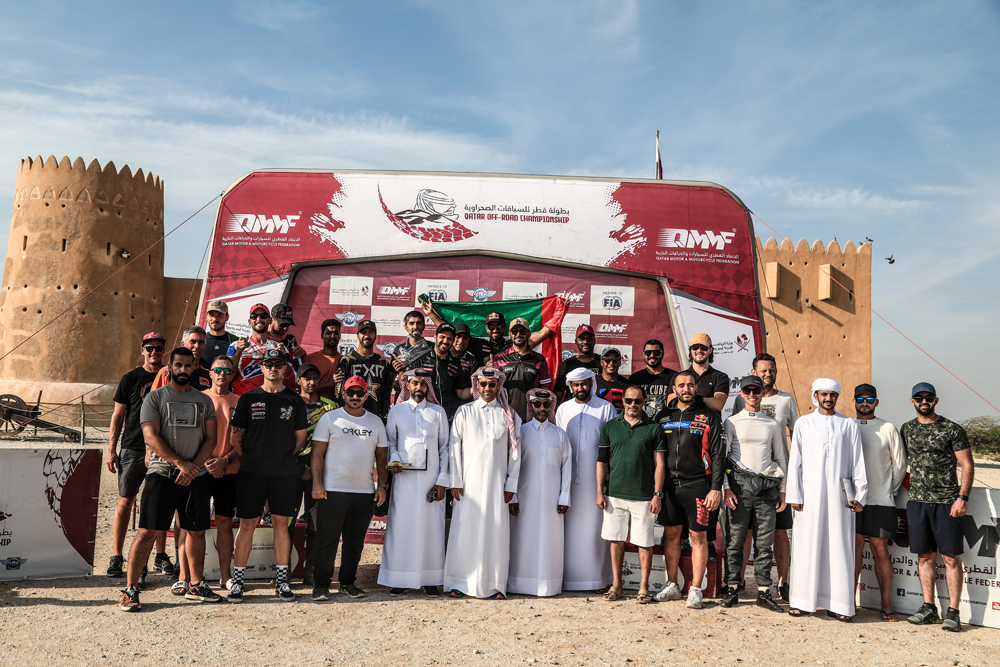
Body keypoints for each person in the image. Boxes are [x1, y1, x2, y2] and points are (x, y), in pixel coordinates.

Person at [119, 347, 218, 611]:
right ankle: (130, 589)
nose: (183, 370)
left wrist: (193, 467)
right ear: (170, 367)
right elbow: (150, 436)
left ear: (194, 367)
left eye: (188, 366)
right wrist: (180, 464)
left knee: (196, 532)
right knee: (148, 532)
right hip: (162, 474)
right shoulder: (155, 398)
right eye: (178, 366)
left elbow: (211, 439)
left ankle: (196, 584)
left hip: (195, 477)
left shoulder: (204, 401)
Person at [228, 348, 308, 603]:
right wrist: (255, 456)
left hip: (284, 472)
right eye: (268, 364)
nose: (273, 368)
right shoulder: (248, 399)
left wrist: (280, 456)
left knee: (281, 526)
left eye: (278, 364)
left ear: (285, 369)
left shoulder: (295, 400)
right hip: (252, 472)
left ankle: (282, 581)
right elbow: (236, 438)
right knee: (247, 524)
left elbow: (299, 440)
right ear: (261, 368)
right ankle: (238, 581)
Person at [785, 378, 867, 622]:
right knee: (806, 546)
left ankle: (840, 604)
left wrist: (860, 495)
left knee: (839, 547)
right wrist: (794, 495)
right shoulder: (803, 423)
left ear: (837, 397)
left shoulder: (849, 425)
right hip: (808, 498)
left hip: (841, 499)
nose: (828, 399)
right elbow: (795, 463)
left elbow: (857, 462)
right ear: (815, 396)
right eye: (823, 394)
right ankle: (802, 602)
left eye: (832, 395)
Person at [901, 382, 974, 632]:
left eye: (928, 397)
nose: (924, 401)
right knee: (924, 557)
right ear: (912, 401)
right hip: (918, 502)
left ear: (936, 400)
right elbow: (903, 461)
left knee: (951, 558)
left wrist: (962, 497)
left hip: (947, 503)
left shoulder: (952, 428)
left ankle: (953, 612)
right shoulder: (907, 429)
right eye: (919, 398)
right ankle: (929, 608)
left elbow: (967, 464)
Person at [444, 367, 522, 599]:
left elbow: (515, 454)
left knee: (495, 533)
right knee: (464, 532)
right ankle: (459, 583)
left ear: (499, 386)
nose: (488, 388)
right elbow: (454, 449)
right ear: (476, 386)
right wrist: (455, 481)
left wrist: (511, 486)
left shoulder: (509, 415)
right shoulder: (464, 411)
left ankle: (494, 585)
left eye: (492, 384)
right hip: (468, 486)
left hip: (498, 487)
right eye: (483, 384)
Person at [310, 376, 389, 601]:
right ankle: (321, 585)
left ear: (366, 395)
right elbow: (317, 453)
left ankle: (347, 583)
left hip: (364, 493)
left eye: (360, 393)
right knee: (327, 540)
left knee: (354, 543)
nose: (355, 397)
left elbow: (382, 458)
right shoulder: (329, 419)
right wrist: (317, 483)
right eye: (350, 393)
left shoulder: (375, 422)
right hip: (332, 490)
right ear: (343, 394)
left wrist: (382, 486)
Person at [654, 370, 724, 609]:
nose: (686, 389)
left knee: (698, 537)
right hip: (669, 487)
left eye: (690, 385)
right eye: (681, 385)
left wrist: (716, 489)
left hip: (698, 485)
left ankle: (696, 589)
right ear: (674, 389)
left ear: (697, 388)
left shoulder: (709, 416)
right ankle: (672, 585)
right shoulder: (663, 416)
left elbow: (718, 454)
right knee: (671, 535)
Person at [732, 351, 798, 600]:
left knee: (781, 532)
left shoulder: (786, 400)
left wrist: (791, 478)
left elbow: (797, 438)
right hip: (749, 480)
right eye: (763, 370)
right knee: (747, 531)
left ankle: (783, 582)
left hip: (776, 478)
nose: (768, 374)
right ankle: (738, 581)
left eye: (772, 370)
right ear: (754, 372)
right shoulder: (743, 400)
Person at [106, 332, 172, 581]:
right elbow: (117, 416)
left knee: (158, 502)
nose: (154, 352)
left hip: (161, 447)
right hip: (133, 447)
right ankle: (116, 555)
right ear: (142, 350)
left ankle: (161, 554)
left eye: (159, 348)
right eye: (150, 348)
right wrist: (112, 450)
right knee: (125, 501)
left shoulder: (169, 375)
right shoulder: (131, 378)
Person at [378, 370, 450, 597]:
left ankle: (430, 578)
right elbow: (390, 443)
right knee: (403, 528)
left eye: (423, 384)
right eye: (414, 383)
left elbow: (445, 449)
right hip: (404, 480)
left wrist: (442, 482)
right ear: (407, 386)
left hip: (431, 483)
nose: (419, 388)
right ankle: (400, 578)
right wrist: (395, 460)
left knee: (431, 528)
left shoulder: (438, 412)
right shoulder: (397, 411)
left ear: (429, 387)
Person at [719, 376, 786, 612]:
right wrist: (725, 487)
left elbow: (780, 458)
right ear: (742, 394)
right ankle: (731, 588)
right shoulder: (731, 422)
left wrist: (784, 490)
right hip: (738, 488)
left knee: (764, 544)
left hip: (767, 490)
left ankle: (763, 592)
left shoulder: (772, 424)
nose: (751, 394)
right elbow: (723, 459)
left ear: (761, 393)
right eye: (747, 390)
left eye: (755, 390)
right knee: (735, 542)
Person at [597, 386, 667, 604]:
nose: (633, 405)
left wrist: (658, 494)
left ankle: (644, 587)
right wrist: (599, 490)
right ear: (623, 402)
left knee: (644, 542)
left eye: (637, 401)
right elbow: (602, 462)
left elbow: (660, 464)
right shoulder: (609, 427)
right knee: (615, 540)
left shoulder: (655, 428)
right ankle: (617, 585)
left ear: (644, 401)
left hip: (645, 495)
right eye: (629, 401)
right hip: (615, 494)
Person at [554, 367, 617, 591]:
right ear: (571, 387)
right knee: (569, 531)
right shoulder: (563, 409)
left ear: (591, 383)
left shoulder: (605, 408)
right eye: (576, 385)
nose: (580, 388)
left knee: (595, 529)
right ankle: (568, 579)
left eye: (584, 384)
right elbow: (558, 444)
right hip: (568, 479)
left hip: (596, 481)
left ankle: (599, 579)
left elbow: (612, 445)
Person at [508, 389, 572, 597]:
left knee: (550, 541)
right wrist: (514, 496)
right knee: (522, 539)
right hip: (524, 499)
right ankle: (519, 584)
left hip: (553, 500)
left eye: (546, 405)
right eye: (537, 405)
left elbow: (567, 468)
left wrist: (564, 497)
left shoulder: (560, 434)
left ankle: (548, 585)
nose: (542, 409)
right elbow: (512, 467)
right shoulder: (521, 432)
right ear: (530, 406)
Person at [851, 382, 907, 622]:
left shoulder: (888, 428)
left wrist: (888, 490)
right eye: (860, 399)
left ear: (876, 402)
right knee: (853, 550)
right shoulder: (846, 426)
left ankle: (886, 604)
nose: (865, 403)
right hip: (852, 501)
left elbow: (900, 465)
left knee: (880, 549)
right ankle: (848, 602)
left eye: (869, 399)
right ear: (854, 401)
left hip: (881, 500)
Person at [290, 362, 337, 586]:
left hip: (319, 470)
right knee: (286, 522)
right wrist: (299, 469)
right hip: (291, 468)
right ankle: (284, 572)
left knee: (315, 525)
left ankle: (312, 573)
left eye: (315, 378)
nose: (311, 382)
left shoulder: (330, 407)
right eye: (306, 378)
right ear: (298, 380)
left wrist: (316, 470)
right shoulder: (289, 403)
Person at [203, 355, 241, 590]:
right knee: (193, 524)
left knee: (225, 523)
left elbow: (244, 440)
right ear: (210, 373)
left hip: (230, 470)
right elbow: (192, 436)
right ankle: (187, 576)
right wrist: (208, 462)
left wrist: (225, 461)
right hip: (201, 469)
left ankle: (225, 576)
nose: (222, 374)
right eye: (217, 370)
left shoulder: (240, 401)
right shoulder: (199, 399)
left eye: (227, 371)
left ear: (232, 374)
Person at [228, 304, 296, 396]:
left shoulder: (279, 347)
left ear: (270, 320)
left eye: (263, 316)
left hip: (270, 400)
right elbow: (228, 376)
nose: (258, 319)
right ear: (249, 321)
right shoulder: (236, 346)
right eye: (254, 317)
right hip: (241, 400)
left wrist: (282, 357)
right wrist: (238, 353)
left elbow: (291, 381)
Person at [492, 317, 552, 422]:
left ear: (529, 334)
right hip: (504, 416)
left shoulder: (539, 359)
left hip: (531, 418)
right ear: (510, 334)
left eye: (522, 331)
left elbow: (545, 390)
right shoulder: (499, 358)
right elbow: (494, 388)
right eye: (515, 331)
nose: (518, 334)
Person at [336, 319, 394, 421]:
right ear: (357, 336)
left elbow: (386, 393)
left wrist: (384, 416)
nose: (367, 336)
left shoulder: (383, 362)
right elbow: (339, 392)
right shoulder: (347, 360)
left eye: (371, 332)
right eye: (363, 332)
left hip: (375, 417)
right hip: (350, 417)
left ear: (376, 336)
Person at [423, 323, 473, 422]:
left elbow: (461, 393)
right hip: (423, 416)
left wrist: (476, 387)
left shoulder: (456, 363)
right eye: (442, 337)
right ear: (435, 337)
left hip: (445, 417)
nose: (445, 341)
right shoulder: (422, 358)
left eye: (449, 339)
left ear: (453, 341)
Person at [679, 333, 730, 413]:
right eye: (695, 347)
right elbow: (672, 402)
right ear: (690, 350)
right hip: (686, 423)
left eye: (704, 348)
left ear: (710, 350)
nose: (699, 350)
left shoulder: (720, 377)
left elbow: (718, 404)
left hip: (710, 424)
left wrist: (688, 398)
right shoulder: (679, 377)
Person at [627, 339, 677, 420]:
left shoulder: (674, 376)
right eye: (648, 353)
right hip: (642, 425)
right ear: (643, 355)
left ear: (662, 354)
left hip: (666, 423)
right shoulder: (635, 378)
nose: (652, 355)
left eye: (656, 352)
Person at [151, 326, 212, 391]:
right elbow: (153, 399)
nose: (197, 346)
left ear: (205, 346)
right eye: (192, 341)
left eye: (201, 342)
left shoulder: (209, 375)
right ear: (182, 344)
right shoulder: (166, 372)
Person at [554, 324, 601, 401]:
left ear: (594, 341)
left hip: (597, 409)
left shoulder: (602, 362)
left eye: (589, 339)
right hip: (573, 410)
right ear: (576, 341)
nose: (585, 342)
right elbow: (559, 392)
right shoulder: (567, 364)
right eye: (582, 339)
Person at [303, 318, 345, 402]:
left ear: (340, 336)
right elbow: (304, 390)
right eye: (329, 333)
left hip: (338, 410)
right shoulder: (309, 359)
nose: (332, 336)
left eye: (336, 333)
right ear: (322, 336)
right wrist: (328, 383)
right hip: (314, 409)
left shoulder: (345, 360)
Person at [202, 299, 239, 370]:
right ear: (207, 317)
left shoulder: (235, 341)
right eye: (211, 315)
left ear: (227, 317)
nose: (215, 319)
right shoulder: (200, 340)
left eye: (220, 315)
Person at [268, 303, 306, 367]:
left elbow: (299, 366)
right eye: (282, 324)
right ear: (271, 319)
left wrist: (303, 354)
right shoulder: (262, 338)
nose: (285, 328)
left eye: (288, 324)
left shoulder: (291, 339)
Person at [595, 347, 630, 414]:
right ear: (601, 362)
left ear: (619, 363)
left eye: (615, 360)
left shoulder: (627, 385)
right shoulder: (593, 382)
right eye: (607, 360)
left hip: (619, 423)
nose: (611, 363)